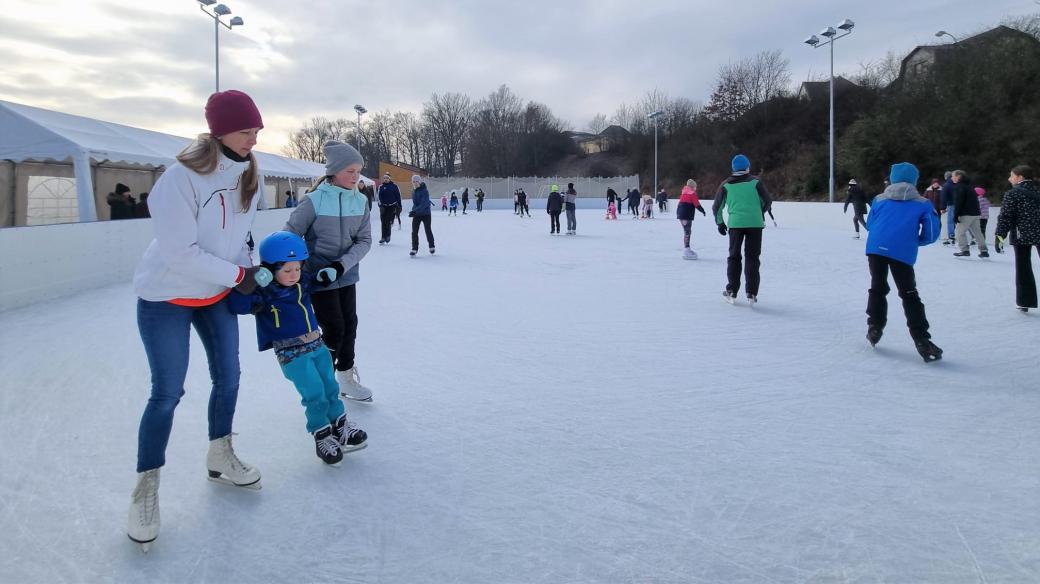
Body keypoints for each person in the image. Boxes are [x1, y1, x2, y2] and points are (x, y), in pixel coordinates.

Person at [127, 89, 266, 550]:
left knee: (229, 378)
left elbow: (242, 235)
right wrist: (238, 275)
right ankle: (147, 486)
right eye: (246, 130)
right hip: (167, 296)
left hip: (217, 294)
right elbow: (179, 252)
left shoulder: (250, 174)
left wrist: (252, 271)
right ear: (219, 129)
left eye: (256, 130)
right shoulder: (179, 179)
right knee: (167, 392)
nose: (253, 138)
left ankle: (220, 452)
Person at [227, 231, 368, 465]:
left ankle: (340, 426)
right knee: (314, 393)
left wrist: (324, 275)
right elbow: (237, 305)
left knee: (329, 385)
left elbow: (311, 280)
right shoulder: (265, 293)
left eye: (297, 268)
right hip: (291, 353)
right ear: (270, 269)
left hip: (316, 343)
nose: (294, 275)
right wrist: (250, 283)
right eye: (287, 270)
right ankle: (322, 434)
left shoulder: (301, 282)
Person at [285, 140, 373, 403]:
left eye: (358, 170)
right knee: (334, 329)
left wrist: (340, 266)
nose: (355, 176)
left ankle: (345, 378)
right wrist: (298, 268)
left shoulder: (360, 201)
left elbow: (364, 241)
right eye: (350, 170)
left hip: (345, 275)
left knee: (350, 326)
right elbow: (289, 234)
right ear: (334, 171)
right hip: (319, 278)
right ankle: (322, 382)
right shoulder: (313, 201)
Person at [864, 162, 943, 362]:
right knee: (909, 294)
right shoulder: (923, 203)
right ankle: (922, 340)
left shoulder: (879, 199)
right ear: (914, 180)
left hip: (876, 248)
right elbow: (932, 233)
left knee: (878, 287)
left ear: (892, 178)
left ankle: (874, 326)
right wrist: (914, 241)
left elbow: (870, 224)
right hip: (902, 251)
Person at [713, 154, 773, 305]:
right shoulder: (756, 182)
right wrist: (759, 213)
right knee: (752, 257)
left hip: (736, 225)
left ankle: (732, 290)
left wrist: (720, 223)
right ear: (748, 167)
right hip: (755, 224)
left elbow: (717, 207)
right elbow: (767, 201)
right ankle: (751, 293)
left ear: (733, 169)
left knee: (734, 257)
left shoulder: (725, 185)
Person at [995, 165, 1040, 312]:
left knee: (1023, 267)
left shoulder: (1013, 194)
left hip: (1022, 234)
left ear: (1020, 177)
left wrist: (1000, 237)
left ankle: (1025, 301)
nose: (1009, 178)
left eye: (1011, 175)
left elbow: (1005, 217)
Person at [950, 170, 989, 258]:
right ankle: (984, 251)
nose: (952, 178)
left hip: (966, 214)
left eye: (953, 176)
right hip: (975, 213)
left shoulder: (959, 187)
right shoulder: (970, 186)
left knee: (959, 232)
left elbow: (959, 201)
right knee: (978, 233)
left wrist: (956, 215)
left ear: (958, 176)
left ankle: (964, 250)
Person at [677, 179, 706, 259]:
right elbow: (697, 204)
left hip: (681, 214)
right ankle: (686, 250)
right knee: (687, 232)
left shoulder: (684, 192)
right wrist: (703, 211)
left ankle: (687, 249)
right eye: (695, 186)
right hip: (686, 214)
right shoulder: (692, 193)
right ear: (693, 186)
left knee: (687, 231)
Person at [409, 174, 435, 256]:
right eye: (414, 181)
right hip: (417, 214)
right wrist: (413, 211)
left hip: (426, 213)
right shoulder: (413, 191)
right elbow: (415, 204)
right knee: (414, 231)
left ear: (420, 182)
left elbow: (424, 204)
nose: (415, 183)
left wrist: (415, 211)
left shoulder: (424, 191)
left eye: (417, 181)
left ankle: (431, 246)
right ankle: (414, 248)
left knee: (428, 229)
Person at [377, 172, 402, 245]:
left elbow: (398, 196)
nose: (385, 179)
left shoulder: (394, 186)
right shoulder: (381, 187)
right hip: (383, 206)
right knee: (383, 221)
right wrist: (380, 205)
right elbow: (379, 196)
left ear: (389, 179)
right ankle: (383, 237)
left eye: (387, 178)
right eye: (384, 178)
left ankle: (388, 235)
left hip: (392, 206)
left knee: (387, 221)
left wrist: (399, 206)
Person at [940, 171, 956, 245]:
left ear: (946, 177)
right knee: (962, 221)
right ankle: (973, 237)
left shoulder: (946, 185)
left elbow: (944, 197)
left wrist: (943, 208)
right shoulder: (958, 183)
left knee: (950, 221)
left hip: (951, 205)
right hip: (961, 204)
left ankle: (951, 237)